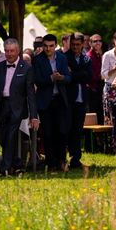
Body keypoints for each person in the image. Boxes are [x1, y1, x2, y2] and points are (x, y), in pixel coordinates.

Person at [0, 38, 38, 176]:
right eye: (7, 51)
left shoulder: (26, 68)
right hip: (2, 105)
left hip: (17, 107)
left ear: (17, 51)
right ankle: (16, 163)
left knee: (11, 135)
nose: (9, 54)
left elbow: (30, 94)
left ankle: (4, 168)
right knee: (2, 136)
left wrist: (33, 116)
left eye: (12, 51)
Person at [33, 34, 71, 172]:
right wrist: (50, 78)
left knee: (61, 131)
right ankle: (51, 162)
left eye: (51, 46)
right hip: (45, 101)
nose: (48, 49)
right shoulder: (37, 60)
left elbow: (69, 77)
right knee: (48, 133)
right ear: (42, 46)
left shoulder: (62, 58)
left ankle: (62, 160)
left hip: (59, 100)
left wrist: (61, 77)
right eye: (46, 46)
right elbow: (37, 80)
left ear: (56, 46)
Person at [64, 32, 92, 169]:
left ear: (82, 44)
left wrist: (74, 73)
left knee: (77, 129)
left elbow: (89, 76)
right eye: (73, 44)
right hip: (68, 99)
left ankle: (76, 159)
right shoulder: (64, 57)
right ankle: (64, 157)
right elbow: (66, 76)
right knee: (67, 128)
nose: (75, 47)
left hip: (82, 99)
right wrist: (80, 74)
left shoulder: (86, 58)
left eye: (77, 44)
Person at [87, 34, 105, 124]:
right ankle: (93, 138)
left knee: (101, 115)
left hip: (100, 89)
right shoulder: (89, 56)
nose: (98, 43)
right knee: (93, 116)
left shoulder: (100, 55)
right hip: (92, 90)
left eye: (99, 41)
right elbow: (90, 76)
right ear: (90, 43)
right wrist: (102, 76)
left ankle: (100, 137)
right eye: (95, 41)